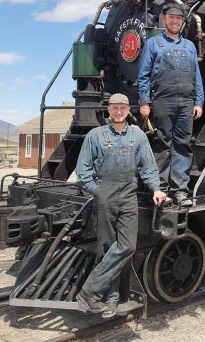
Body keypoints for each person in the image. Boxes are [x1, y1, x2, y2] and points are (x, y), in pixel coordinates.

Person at [76, 93, 166, 318]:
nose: (118, 112)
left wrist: (155, 187)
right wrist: (98, 191)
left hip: (128, 194)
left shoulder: (137, 135)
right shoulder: (95, 135)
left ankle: (88, 292)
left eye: (122, 108)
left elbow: (148, 166)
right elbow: (83, 170)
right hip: (105, 192)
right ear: (109, 110)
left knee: (126, 246)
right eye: (114, 108)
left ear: (128, 110)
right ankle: (111, 298)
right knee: (106, 248)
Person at [137, 2, 204, 207]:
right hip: (162, 101)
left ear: (183, 21)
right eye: (171, 17)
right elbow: (144, 76)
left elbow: (197, 77)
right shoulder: (153, 44)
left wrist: (198, 101)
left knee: (183, 146)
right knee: (162, 146)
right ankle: (161, 190)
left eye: (179, 18)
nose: (175, 21)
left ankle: (180, 192)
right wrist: (145, 102)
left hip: (185, 102)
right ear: (165, 19)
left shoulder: (190, 46)